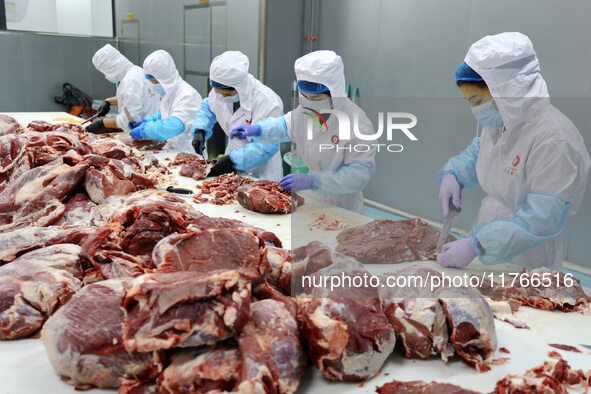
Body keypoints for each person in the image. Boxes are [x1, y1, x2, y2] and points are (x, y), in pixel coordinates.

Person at [437, 32, 590, 270]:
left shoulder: (554, 140)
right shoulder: (501, 122)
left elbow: (542, 220)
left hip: (529, 262)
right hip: (485, 248)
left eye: (478, 101)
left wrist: (476, 246)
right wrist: (453, 173)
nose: (476, 110)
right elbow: (479, 153)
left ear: (506, 91)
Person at [231, 50, 377, 213]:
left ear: (334, 93)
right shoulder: (306, 111)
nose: (310, 103)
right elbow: (282, 126)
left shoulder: (357, 123)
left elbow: (359, 175)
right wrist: (257, 129)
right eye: (305, 97)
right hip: (311, 199)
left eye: (315, 98)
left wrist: (313, 181)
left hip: (342, 205)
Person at [191, 51, 284, 180]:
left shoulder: (267, 101)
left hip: (261, 174)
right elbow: (208, 107)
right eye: (218, 93)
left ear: (240, 87)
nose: (222, 97)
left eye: (227, 95)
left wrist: (232, 160)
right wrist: (199, 129)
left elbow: (266, 146)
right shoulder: (219, 92)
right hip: (231, 170)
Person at [130, 50, 202, 153]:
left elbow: (175, 125)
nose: (154, 86)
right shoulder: (169, 93)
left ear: (165, 77)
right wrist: (147, 120)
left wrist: (145, 130)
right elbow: (166, 113)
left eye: (155, 82)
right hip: (172, 151)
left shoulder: (187, 95)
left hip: (188, 153)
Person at [88, 44, 160, 133]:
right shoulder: (137, 71)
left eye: (104, 72)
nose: (105, 76)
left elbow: (129, 121)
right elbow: (135, 98)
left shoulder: (130, 82)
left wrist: (102, 123)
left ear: (110, 68)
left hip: (146, 134)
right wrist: (108, 102)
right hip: (154, 127)